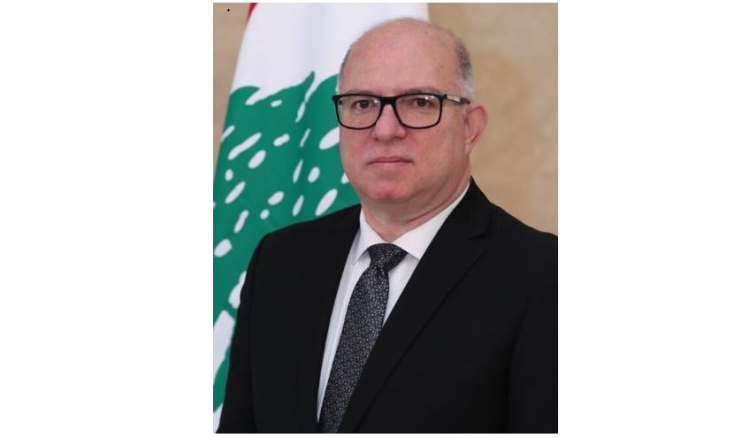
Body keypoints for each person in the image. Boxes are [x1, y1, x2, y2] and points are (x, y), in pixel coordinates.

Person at [217, 18, 557, 433]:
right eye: (362, 104)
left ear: (470, 127)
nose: (385, 129)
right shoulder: (280, 259)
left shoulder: (544, 275)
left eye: (419, 102)